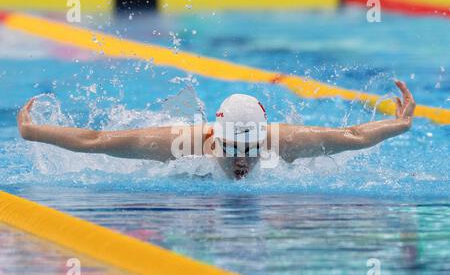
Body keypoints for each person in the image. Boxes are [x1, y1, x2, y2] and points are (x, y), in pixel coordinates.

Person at [18, 81, 416, 180]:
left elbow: (354, 137)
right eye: (232, 150)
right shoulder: (181, 145)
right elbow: (98, 141)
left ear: (265, 141)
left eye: (251, 150)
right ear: (213, 139)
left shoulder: (285, 142)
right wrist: (33, 133)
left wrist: (400, 124)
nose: (242, 161)